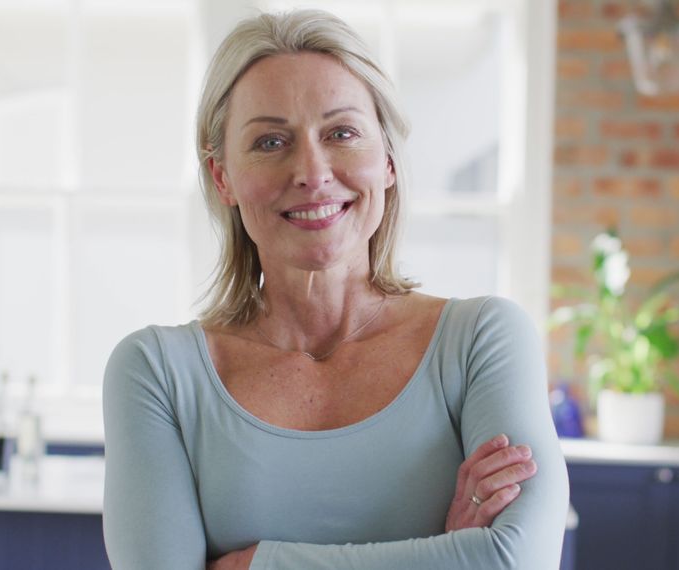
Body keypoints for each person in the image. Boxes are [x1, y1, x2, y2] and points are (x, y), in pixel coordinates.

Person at [102, 9, 568, 570]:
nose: (312, 171)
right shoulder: (156, 373)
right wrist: (447, 554)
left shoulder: (483, 341)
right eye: (271, 141)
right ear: (222, 176)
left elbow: (516, 561)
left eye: (342, 133)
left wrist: (256, 565)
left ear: (388, 160)